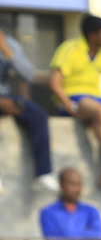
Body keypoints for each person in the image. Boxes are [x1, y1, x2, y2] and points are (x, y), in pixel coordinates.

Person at [48, 15, 101, 192]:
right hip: (74, 97)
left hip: (96, 98)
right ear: (92, 35)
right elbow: (54, 82)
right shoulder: (70, 48)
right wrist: (69, 106)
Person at [0, 27, 58, 193]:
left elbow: (28, 75)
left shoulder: (8, 43)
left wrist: (6, 49)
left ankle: (43, 174)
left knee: (38, 114)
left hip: (6, 96)